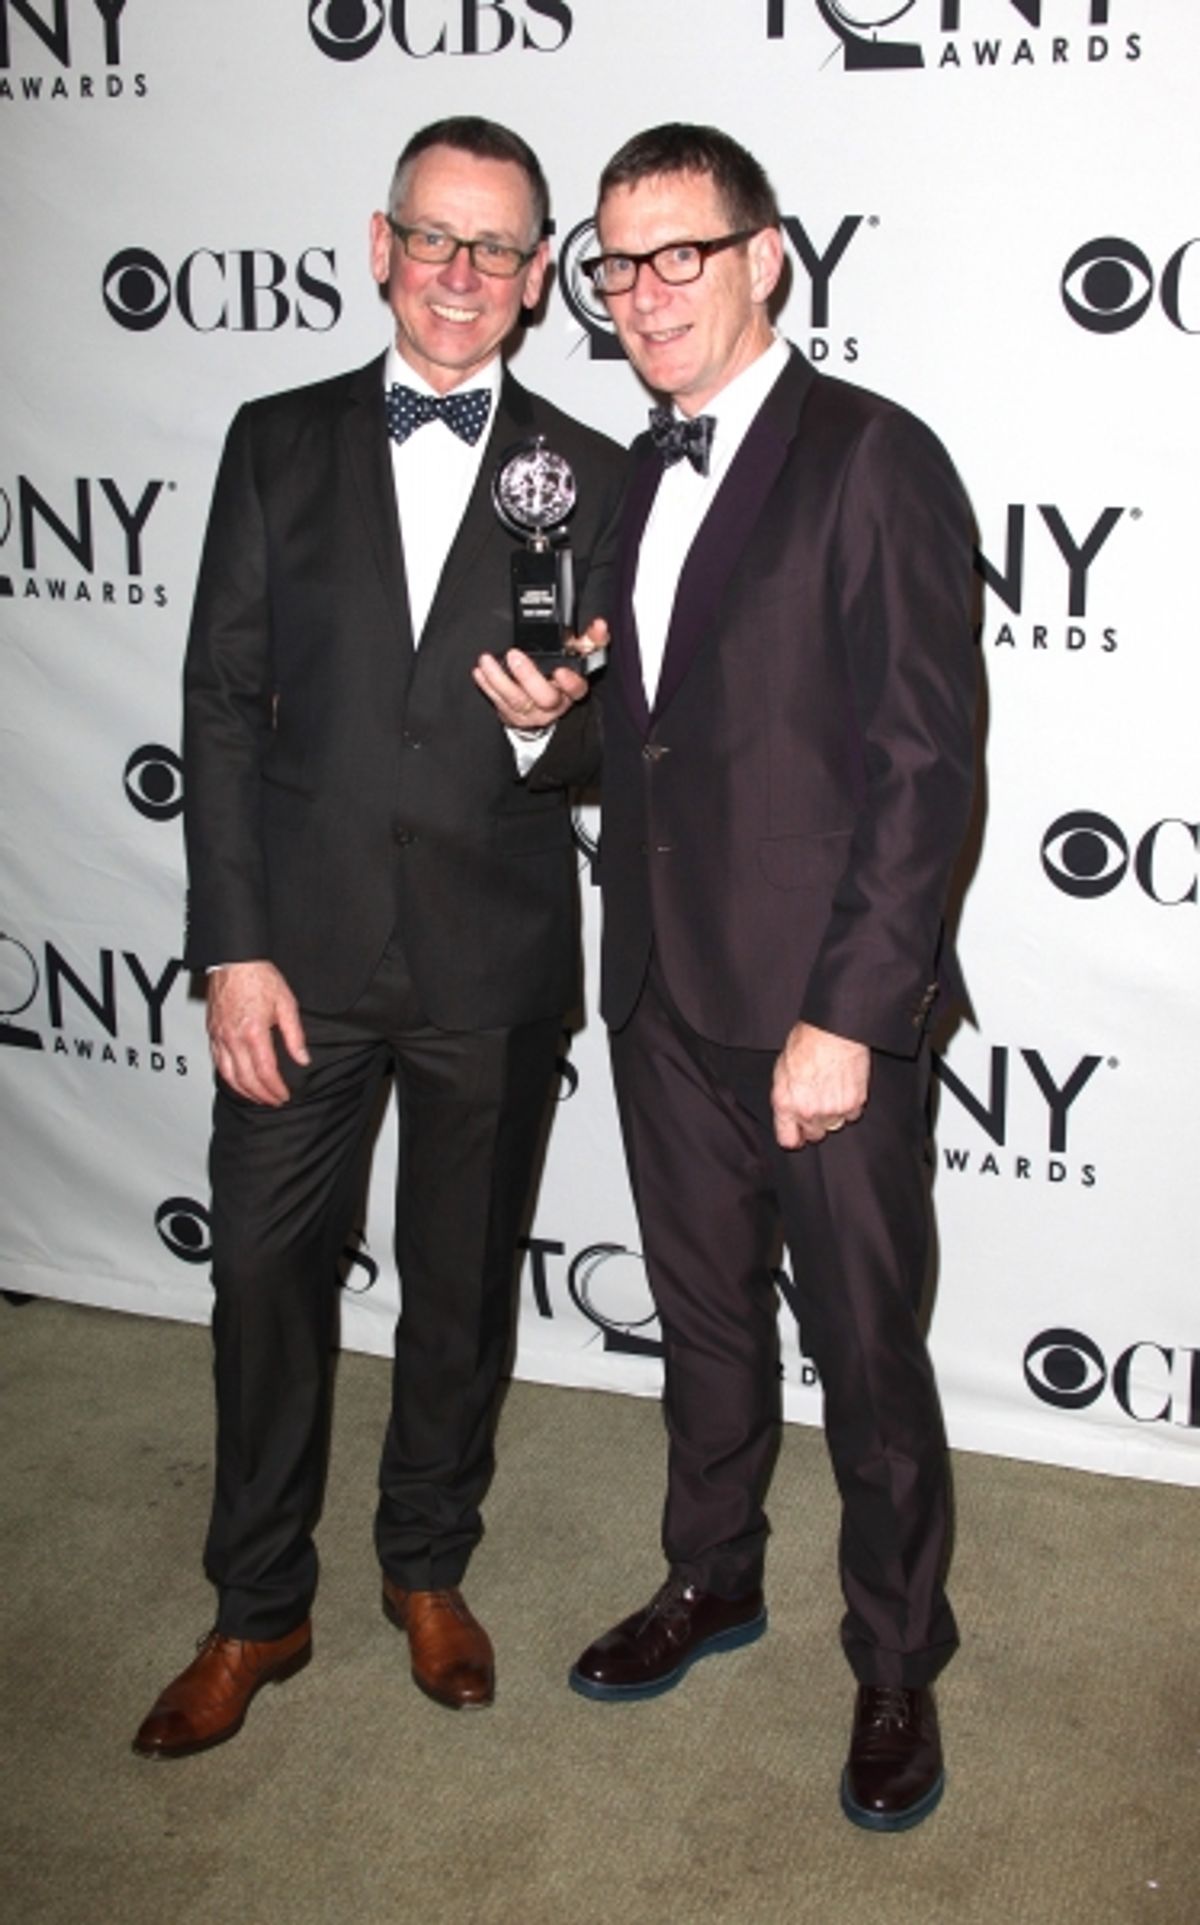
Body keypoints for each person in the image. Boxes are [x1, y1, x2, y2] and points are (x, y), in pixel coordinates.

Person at [474, 124, 977, 1832]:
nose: (642, 294)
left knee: (865, 1347)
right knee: (703, 1326)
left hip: (823, 1013)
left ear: (769, 256)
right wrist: (560, 734)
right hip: (668, 995)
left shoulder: (875, 459)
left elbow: (922, 768)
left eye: (679, 254)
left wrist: (849, 1012)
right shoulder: (634, 472)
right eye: (617, 264)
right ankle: (715, 1575)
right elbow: (676, 736)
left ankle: (899, 1657)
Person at [132, 117, 623, 1759]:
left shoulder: (590, 469)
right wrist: (233, 944)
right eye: (437, 236)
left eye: (499, 246)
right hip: (301, 958)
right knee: (265, 1280)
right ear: (380, 242)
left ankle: (426, 1565)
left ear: (543, 272)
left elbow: (624, 746)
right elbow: (217, 705)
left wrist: (557, 729)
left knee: (463, 1289)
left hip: (493, 959)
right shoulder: (275, 441)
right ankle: (258, 1603)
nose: (464, 272)